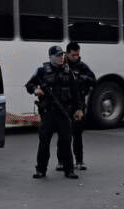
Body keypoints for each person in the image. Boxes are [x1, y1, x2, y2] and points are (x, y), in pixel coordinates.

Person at [25, 45, 85, 179]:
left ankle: (69, 170)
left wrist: (79, 109)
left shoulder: (68, 71)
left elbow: (76, 92)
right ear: (50, 57)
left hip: (64, 113)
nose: (61, 58)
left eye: (62, 55)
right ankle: (41, 170)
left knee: (66, 142)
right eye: (58, 56)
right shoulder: (42, 71)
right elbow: (29, 85)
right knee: (44, 142)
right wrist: (35, 89)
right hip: (49, 113)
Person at [62, 41, 96, 172]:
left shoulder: (82, 67)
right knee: (63, 135)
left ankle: (79, 161)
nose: (76, 57)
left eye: (77, 54)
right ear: (67, 54)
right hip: (64, 104)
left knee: (77, 134)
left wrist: (81, 77)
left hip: (79, 104)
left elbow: (93, 80)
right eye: (73, 55)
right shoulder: (62, 66)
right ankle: (62, 161)